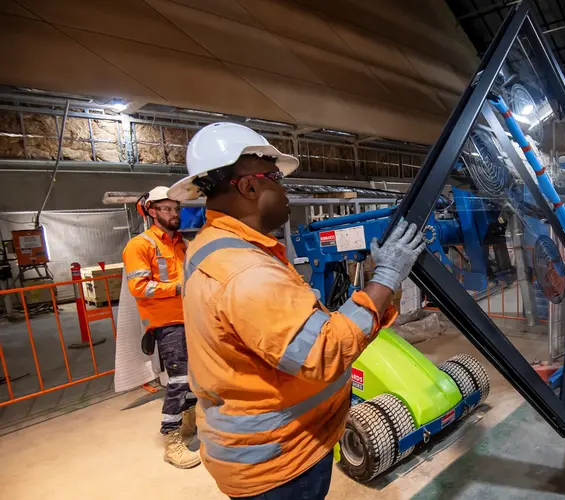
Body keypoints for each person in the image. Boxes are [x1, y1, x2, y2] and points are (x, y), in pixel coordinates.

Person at [167, 122, 425, 499]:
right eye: (274, 177)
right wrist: (385, 278)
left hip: (259, 450)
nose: (285, 189)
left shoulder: (213, 245)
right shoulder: (247, 272)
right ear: (249, 186)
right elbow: (325, 351)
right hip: (279, 461)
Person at [121, 186, 199, 468]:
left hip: (190, 319)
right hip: (167, 325)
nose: (174, 214)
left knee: (193, 379)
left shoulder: (180, 243)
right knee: (178, 383)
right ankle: (172, 440)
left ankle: (189, 425)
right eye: (166, 209)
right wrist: (178, 287)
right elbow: (139, 287)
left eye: (176, 209)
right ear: (151, 211)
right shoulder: (140, 245)